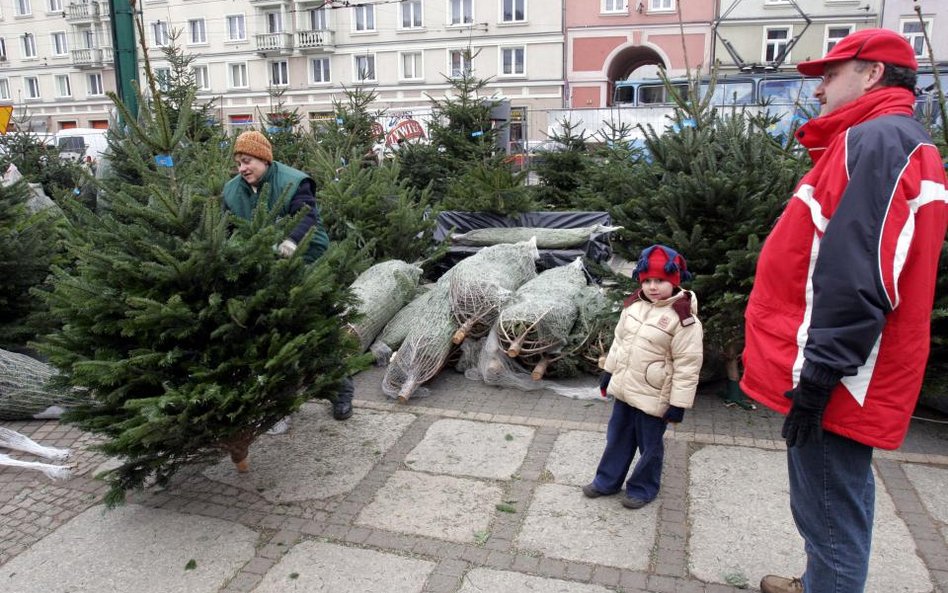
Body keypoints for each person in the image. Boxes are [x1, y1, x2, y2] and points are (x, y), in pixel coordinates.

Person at [740, 28, 948, 593]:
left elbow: (862, 271)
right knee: (832, 499)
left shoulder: (878, 143)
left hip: (840, 376)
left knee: (831, 513)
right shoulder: (881, 140)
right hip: (840, 366)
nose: (818, 90)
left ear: (873, 72)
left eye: (830, 75)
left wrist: (821, 373)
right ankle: (815, 581)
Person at [223, 130, 354, 423]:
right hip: (265, 265)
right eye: (238, 163)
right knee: (272, 331)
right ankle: (280, 403)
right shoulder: (232, 190)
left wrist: (291, 242)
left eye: (247, 161)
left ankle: (341, 393)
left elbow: (306, 215)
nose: (242, 168)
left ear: (264, 159)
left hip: (307, 258)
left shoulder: (294, 181)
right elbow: (226, 229)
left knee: (318, 325)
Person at [583, 245, 703, 509]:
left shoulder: (683, 319)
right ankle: (607, 481)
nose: (652, 286)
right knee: (618, 438)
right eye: (647, 280)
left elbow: (688, 364)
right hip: (626, 390)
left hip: (654, 396)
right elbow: (620, 342)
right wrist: (609, 373)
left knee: (649, 447)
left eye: (660, 280)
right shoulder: (633, 307)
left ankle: (643, 488)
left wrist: (678, 403)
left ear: (673, 281)